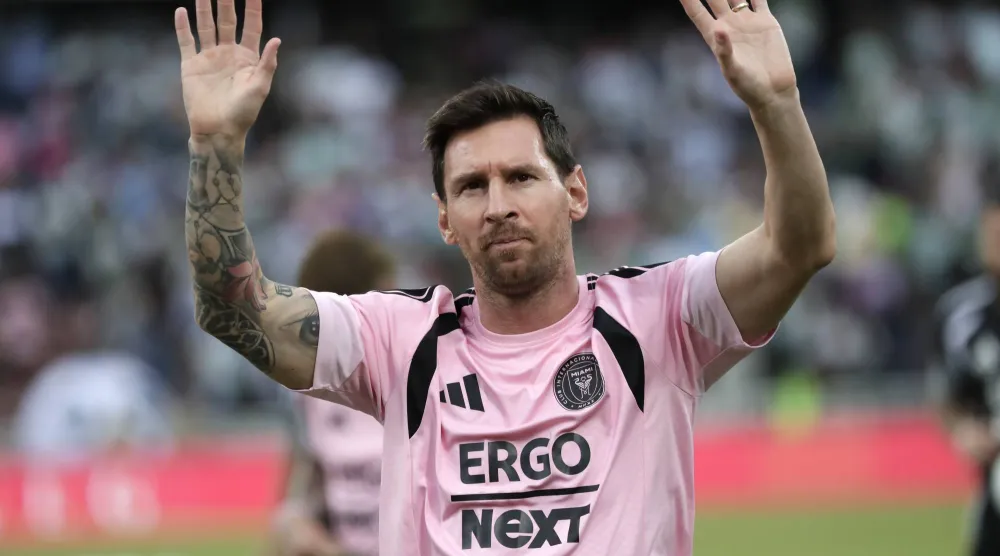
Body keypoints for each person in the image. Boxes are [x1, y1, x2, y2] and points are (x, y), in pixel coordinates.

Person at [174, 0, 835, 553]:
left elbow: (797, 247)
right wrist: (215, 149)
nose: (497, 206)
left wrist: (776, 101)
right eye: (470, 187)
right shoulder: (398, 341)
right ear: (444, 220)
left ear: (575, 193)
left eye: (521, 177)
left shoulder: (658, 316)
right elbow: (234, 311)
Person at [269, 230, 395, 556]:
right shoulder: (305, 394)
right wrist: (300, 528)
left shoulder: (424, 372)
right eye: (386, 292)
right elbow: (296, 500)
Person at [933, 181, 1000, 556]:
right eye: (991, 233)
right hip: (993, 486)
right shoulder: (960, 315)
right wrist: (965, 431)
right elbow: (949, 396)